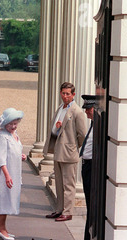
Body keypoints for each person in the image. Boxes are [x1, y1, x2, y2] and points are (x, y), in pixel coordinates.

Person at [43, 82, 87, 222]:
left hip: (69, 153)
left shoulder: (77, 111)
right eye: (63, 93)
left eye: (68, 94)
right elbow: (56, 130)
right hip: (58, 151)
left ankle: (68, 212)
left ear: (73, 95)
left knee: (69, 184)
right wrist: (57, 128)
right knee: (59, 183)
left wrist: (73, 147)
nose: (65, 96)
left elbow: (83, 135)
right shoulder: (60, 108)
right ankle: (59, 209)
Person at [0, 108, 26, 240]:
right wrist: (7, 175)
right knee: (4, 200)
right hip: (5, 172)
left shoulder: (14, 134)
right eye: (11, 124)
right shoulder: (2, 136)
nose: (13, 126)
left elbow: (13, 150)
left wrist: (20, 156)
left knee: (8, 200)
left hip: (13, 170)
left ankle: (3, 227)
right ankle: (0, 228)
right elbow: (0, 158)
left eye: (15, 123)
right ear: (5, 124)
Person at [76, 94, 96, 240]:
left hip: (92, 167)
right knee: (89, 203)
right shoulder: (94, 124)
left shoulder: (100, 125)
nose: (86, 112)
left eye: (88, 109)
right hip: (86, 166)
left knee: (92, 204)